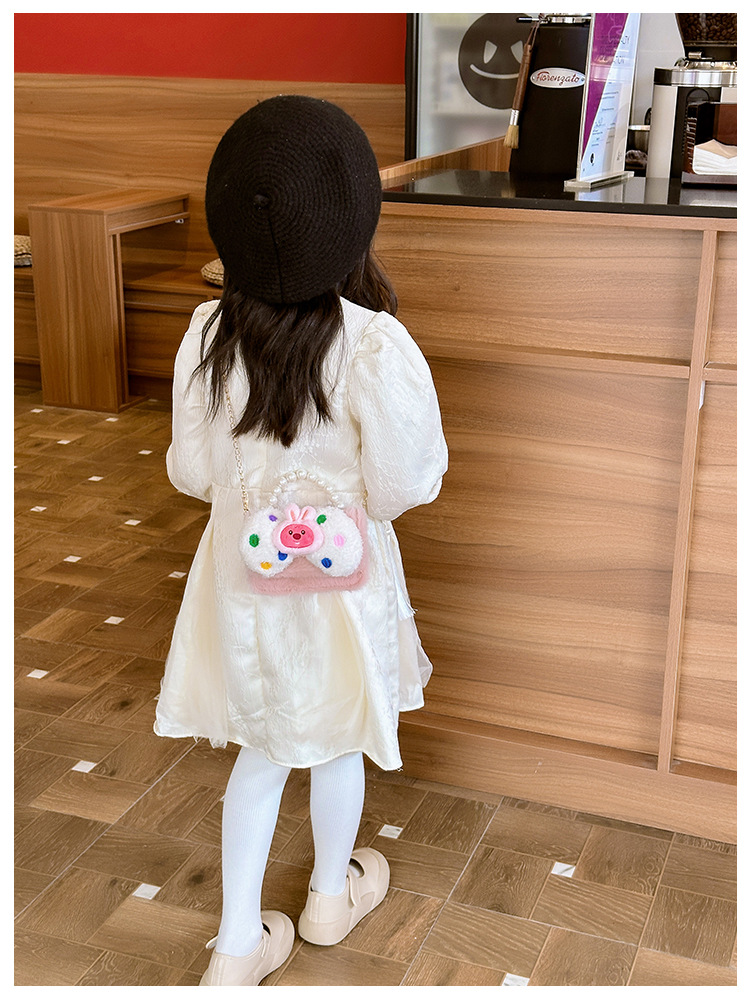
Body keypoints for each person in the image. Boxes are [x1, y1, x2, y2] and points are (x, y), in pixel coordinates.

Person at [154, 94, 448, 987]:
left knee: (264, 749)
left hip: (242, 584)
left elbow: (192, 473)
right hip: (345, 591)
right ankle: (328, 896)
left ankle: (237, 943)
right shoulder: (375, 345)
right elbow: (406, 485)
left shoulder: (208, 335)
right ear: (355, 218)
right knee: (337, 738)